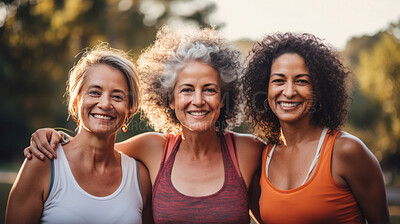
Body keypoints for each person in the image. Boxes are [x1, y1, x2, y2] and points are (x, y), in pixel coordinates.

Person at [23, 26, 264, 223]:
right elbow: (93, 147)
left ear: (223, 99)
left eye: (209, 90)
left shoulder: (248, 151)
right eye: (187, 90)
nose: (198, 101)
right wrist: (55, 136)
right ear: (170, 99)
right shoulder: (152, 149)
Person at [243, 32, 390, 223]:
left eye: (302, 81)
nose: (288, 92)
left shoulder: (347, 151)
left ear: (319, 90)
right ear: (265, 89)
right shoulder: (263, 158)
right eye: (278, 80)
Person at [6, 44, 152, 223]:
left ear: (130, 110)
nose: (105, 104)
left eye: (117, 96)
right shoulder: (43, 163)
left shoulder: (140, 178)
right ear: (75, 101)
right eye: (94, 92)